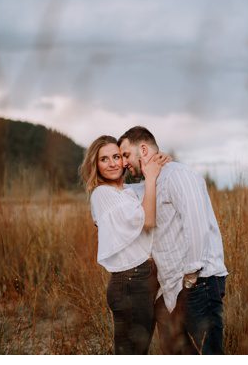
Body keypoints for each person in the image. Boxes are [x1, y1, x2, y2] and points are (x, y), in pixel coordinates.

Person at [118, 126, 229, 355]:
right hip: (173, 290)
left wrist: (190, 280)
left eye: (126, 155)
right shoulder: (147, 186)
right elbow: (115, 191)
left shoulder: (177, 174)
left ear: (144, 148)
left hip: (199, 283)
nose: (124, 163)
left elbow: (196, 225)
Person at [79, 135, 170, 354]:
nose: (112, 163)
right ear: (96, 165)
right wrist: (150, 178)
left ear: (124, 161)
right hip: (129, 283)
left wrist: (159, 162)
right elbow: (148, 221)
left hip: (143, 279)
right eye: (104, 159)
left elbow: (149, 188)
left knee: (139, 351)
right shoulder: (102, 193)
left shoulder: (127, 192)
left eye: (117, 156)